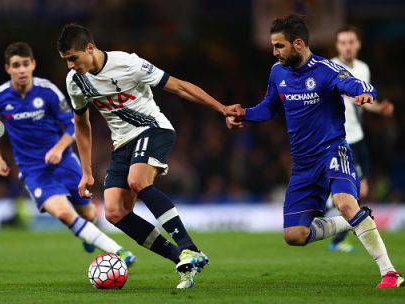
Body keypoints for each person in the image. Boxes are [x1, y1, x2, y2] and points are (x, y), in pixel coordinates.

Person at [57, 23, 244, 288]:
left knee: (137, 180)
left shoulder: (128, 64)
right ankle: (183, 259)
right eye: (66, 61)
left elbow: (178, 86)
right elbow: (82, 125)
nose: (70, 66)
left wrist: (221, 108)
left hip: (153, 129)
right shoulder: (75, 81)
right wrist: (86, 171)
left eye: (73, 58)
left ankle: (189, 246)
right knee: (114, 212)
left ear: (89, 48)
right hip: (122, 144)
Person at [226, 14, 403, 288]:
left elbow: (355, 83)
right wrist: (245, 114)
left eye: (279, 46)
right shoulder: (278, 72)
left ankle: (389, 272)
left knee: (344, 203)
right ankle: (350, 223)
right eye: (274, 46)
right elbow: (270, 107)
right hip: (303, 164)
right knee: (294, 235)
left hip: (333, 151)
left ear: (298, 43)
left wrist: (365, 91)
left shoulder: (326, 69)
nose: (274, 52)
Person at [0, 42, 135, 265]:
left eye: (25, 64)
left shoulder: (48, 92)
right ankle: (120, 251)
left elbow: (72, 126)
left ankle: (89, 233)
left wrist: (58, 149)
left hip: (64, 162)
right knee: (63, 213)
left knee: (89, 214)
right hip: (33, 170)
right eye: (16, 65)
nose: (21, 70)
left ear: (33, 64)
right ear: (8, 69)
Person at [326, 25, 394, 252]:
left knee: (361, 191)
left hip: (358, 137)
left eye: (351, 42)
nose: (347, 46)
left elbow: (363, 99)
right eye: (343, 42)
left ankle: (335, 228)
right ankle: (333, 220)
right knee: (353, 193)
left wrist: (379, 109)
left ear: (358, 44)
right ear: (337, 46)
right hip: (338, 138)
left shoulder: (363, 68)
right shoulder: (329, 68)